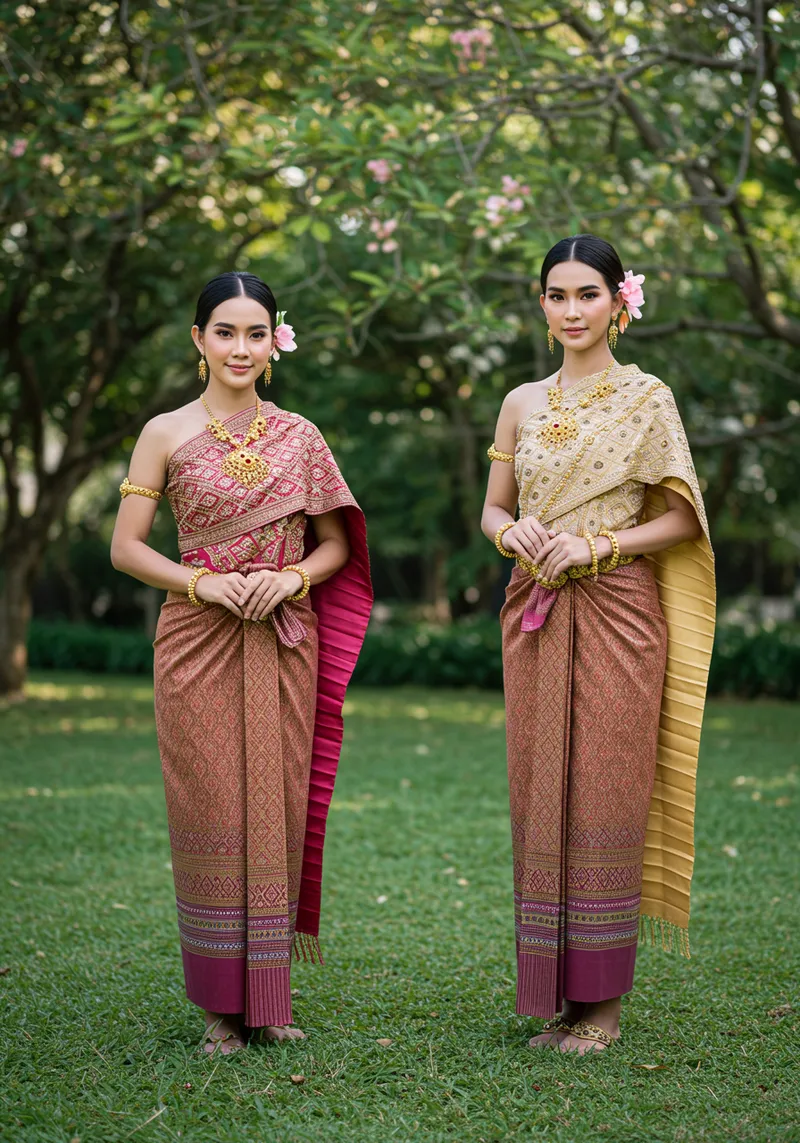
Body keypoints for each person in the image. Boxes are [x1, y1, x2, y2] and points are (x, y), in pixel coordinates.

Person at [111, 271, 372, 1054]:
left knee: (277, 809)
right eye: (225, 331)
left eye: (256, 333)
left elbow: (335, 546)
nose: (240, 347)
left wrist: (290, 578)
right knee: (212, 810)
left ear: (274, 343)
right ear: (199, 340)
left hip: (284, 637)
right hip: (197, 639)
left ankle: (270, 996)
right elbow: (125, 548)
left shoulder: (301, 435)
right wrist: (206, 583)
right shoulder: (164, 431)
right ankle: (221, 1009)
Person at [481, 235, 715, 1054]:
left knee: (607, 789)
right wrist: (519, 538)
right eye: (556, 294)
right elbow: (492, 510)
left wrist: (597, 547)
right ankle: (556, 996)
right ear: (541, 304)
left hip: (619, 609)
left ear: (621, 300)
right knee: (541, 789)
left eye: (588, 293)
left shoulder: (648, 398)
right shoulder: (521, 401)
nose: (572, 309)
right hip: (536, 607)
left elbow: (684, 518)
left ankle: (602, 1010)